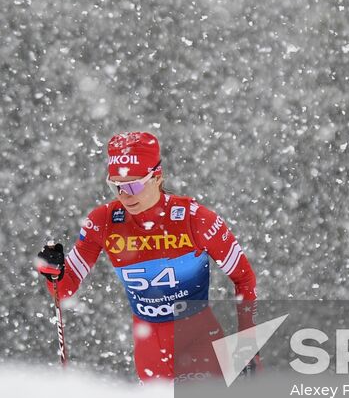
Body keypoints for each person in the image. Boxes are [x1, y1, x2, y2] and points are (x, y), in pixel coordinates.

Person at [35, 131, 258, 381]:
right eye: (116, 186)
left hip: (199, 345)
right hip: (149, 351)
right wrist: (53, 271)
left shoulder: (195, 219)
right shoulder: (103, 222)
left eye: (133, 185)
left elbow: (244, 279)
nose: (124, 195)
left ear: (157, 177)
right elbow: (64, 290)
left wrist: (248, 346)